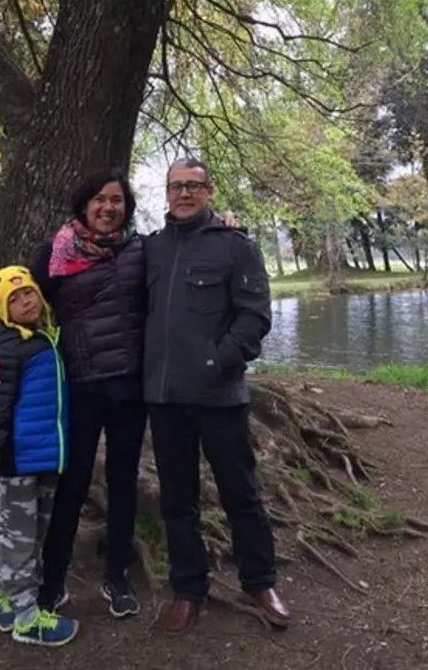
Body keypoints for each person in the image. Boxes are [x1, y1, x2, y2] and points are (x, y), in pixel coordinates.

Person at [0, 170, 147, 619]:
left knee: (122, 482)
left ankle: (117, 576)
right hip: (79, 387)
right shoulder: (55, 254)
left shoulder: (140, 252)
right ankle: (51, 582)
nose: (108, 207)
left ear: (126, 208)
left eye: (116, 200)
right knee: (71, 486)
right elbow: (13, 305)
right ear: (83, 206)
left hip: (130, 387)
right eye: (98, 199)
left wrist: (226, 225)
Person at [144, 158, 290, 634]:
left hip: (220, 395)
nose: (183, 194)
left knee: (241, 493)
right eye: (175, 186)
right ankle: (188, 589)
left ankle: (260, 581)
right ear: (165, 193)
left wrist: (217, 362)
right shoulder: (149, 250)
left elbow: (255, 317)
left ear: (209, 191)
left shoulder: (236, 247)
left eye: (193, 186)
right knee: (177, 500)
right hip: (165, 399)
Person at [0, 265, 79, 647]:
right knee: (18, 540)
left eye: (29, 293)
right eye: (14, 300)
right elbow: (0, 406)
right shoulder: (12, 349)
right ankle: (26, 618)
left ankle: (4, 593)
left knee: (34, 536)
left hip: (49, 459)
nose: (25, 302)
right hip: (19, 462)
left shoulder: (46, 336)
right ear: (4, 312)